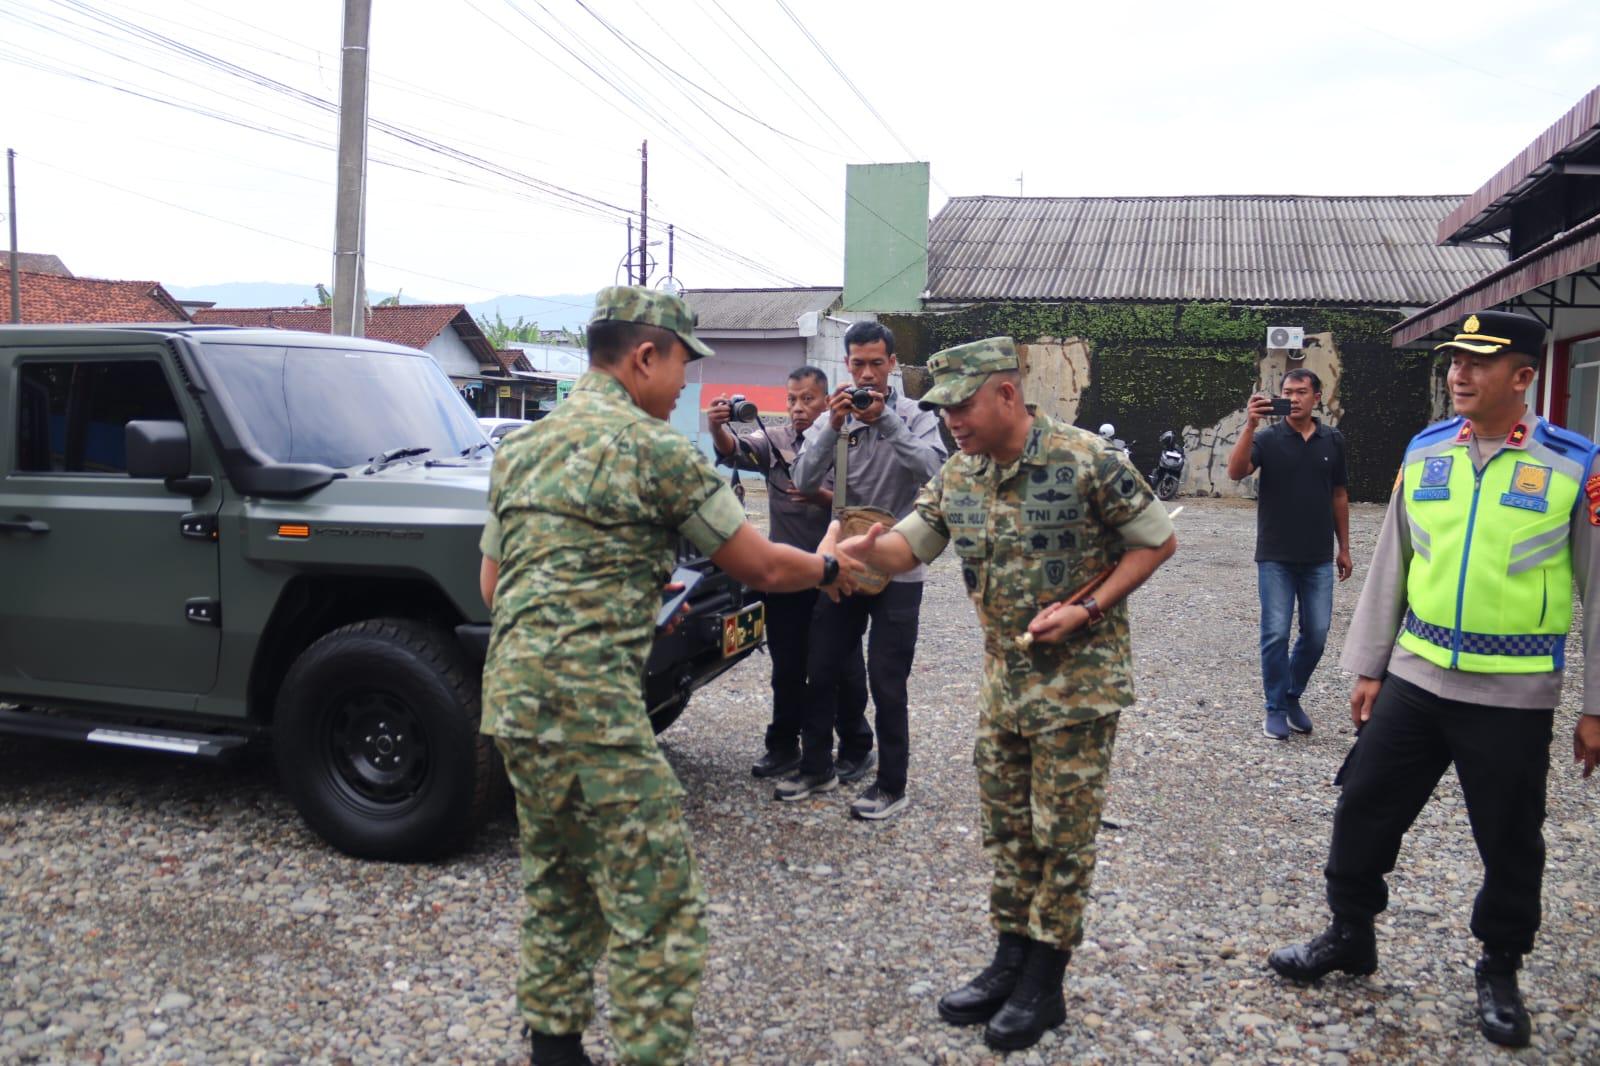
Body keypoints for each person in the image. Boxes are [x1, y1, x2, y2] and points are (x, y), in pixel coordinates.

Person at [478, 287, 862, 1066]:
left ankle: (555, 1050)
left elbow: (493, 585)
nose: (687, 384)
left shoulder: (519, 448)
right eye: (684, 363)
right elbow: (755, 563)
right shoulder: (656, 452)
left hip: (514, 703)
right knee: (656, 903)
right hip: (595, 710)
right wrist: (829, 566)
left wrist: (602, 579)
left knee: (556, 876)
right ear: (645, 355)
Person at [1266, 311, 1600, 1050]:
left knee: (1511, 838)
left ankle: (1501, 965)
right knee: (1363, 804)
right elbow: (1393, 566)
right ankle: (1350, 932)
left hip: (1511, 695)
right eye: (1455, 360)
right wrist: (1369, 666)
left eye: (1480, 363)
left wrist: (1595, 706)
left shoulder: (1576, 462)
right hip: (1416, 680)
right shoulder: (1425, 452)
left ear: (1523, 376)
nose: (1460, 374)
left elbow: (1599, 592)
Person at [836, 336, 1176, 1050]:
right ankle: (1010, 958)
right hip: (1004, 685)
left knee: (1064, 837)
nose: (951, 419)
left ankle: (1046, 981)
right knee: (1009, 830)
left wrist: (1088, 608)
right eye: (942, 407)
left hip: (1079, 690)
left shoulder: (1086, 458)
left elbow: (1153, 541)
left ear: (1006, 395)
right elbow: (908, 547)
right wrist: (864, 553)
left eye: (962, 404)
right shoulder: (960, 473)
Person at [780, 320, 947, 819]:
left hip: (900, 568)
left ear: (893, 364)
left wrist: (886, 423)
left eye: (877, 363)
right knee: (822, 666)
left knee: (887, 681)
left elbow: (939, 473)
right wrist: (829, 427)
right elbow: (802, 479)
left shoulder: (916, 416)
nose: (868, 375)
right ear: (846, 365)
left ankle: (891, 784)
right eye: (858, 364)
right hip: (845, 564)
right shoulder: (838, 419)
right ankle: (816, 766)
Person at [705, 367, 868, 779]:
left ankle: (855, 745)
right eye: (792, 399)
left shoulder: (850, 442)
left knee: (842, 666)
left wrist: (821, 496)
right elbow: (736, 449)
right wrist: (717, 427)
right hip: (786, 577)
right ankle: (783, 746)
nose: (798, 409)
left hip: (835, 574)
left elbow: (867, 510)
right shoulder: (775, 440)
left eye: (808, 399)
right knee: (787, 666)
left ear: (827, 399)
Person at [1226, 367, 1353, 740]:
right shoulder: (1267, 439)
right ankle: (1275, 707)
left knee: (1316, 634)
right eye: (1286, 391)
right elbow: (1236, 472)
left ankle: (1292, 694)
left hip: (1317, 557)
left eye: (1300, 392)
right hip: (1276, 556)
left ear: (1317, 398)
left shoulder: (1333, 440)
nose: (1293, 398)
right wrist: (1248, 426)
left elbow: (1339, 495)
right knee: (1276, 634)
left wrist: (1344, 547)